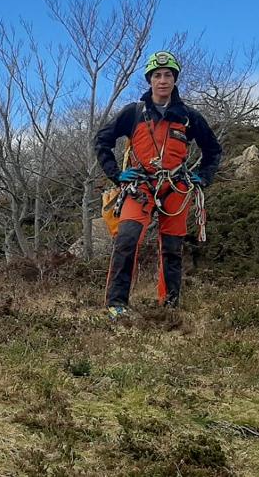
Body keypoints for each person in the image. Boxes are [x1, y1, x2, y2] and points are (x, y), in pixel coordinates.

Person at [94, 50, 222, 318]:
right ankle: (117, 304)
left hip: (176, 188)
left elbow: (213, 150)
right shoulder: (134, 113)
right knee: (126, 240)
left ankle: (170, 305)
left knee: (173, 247)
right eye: (157, 75)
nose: (162, 80)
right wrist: (116, 174)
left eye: (168, 75)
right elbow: (102, 141)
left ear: (175, 80)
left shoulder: (188, 116)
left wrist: (205, 177)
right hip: (139, 187)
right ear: (149, 80)